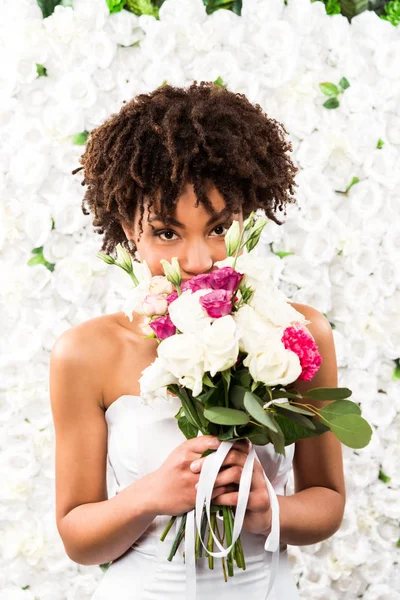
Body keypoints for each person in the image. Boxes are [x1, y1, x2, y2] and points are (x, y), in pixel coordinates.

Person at [50, 81, 346, 599]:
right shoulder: (85, 353)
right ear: (128, 227)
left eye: (218, 228)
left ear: (245, 220)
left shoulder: (298, 334)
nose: (198, 260)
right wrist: (149, 497)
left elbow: (327, 502)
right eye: (166, 232)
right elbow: (78, 538)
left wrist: (267, 509)